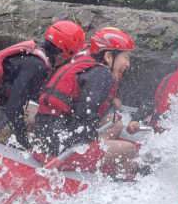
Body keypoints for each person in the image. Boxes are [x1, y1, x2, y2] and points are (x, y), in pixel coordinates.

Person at [0, 20, 86, 147]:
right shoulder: (36, 65)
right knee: (12, 126)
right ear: (65, 53)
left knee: (29, 118)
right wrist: (25, 143)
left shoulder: (35, 53)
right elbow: (13, 108)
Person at [31, 26, 140, 178]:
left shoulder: (88, 65)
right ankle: (120, 180)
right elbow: (84, 119)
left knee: (114, 123)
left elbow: (83, 112)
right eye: (126, 57)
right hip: (57, 153)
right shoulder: (102, 74)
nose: (127, 64)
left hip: (42, 142)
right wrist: (91, 142)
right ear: (109, 56)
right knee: (130, 149)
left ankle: (100, 157)